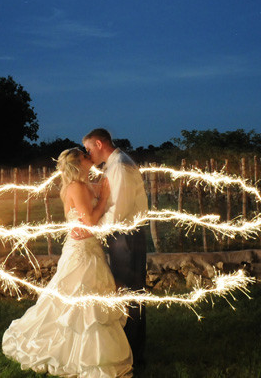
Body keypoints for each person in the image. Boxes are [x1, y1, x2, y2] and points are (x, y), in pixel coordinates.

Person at [2, 147, 133, 378]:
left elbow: (91, 213)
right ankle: (81, 355)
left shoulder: (81, 185)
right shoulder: (77, 187)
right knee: (81, 298)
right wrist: (102, 198)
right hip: (82, 251)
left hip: (88, 247)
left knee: (87, 298)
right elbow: (91, 220)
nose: (89, 157)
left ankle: (89, 351)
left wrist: (102, 192)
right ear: (78, 163)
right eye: (85, 156)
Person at [81, 128, 148, 367]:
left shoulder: (119, 165)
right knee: (127, 292)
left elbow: (118, 210)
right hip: (124, 236)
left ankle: (132, 354)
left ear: (99, 144)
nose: (87, 154)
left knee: (128, 292)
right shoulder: (114, 164)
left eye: (88, 149)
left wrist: (94, 230)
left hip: (126, 237)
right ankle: (130, 350)